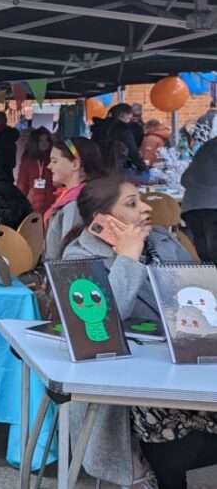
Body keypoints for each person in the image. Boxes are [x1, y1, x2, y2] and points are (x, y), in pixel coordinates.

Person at [63, 175, 216, 489]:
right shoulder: (79, 256)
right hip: (130, 384)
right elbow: (101, 325)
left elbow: (198, 297)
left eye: (142, 200)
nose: (146, 208)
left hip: (184, 364)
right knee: (162, 422)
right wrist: (128, 258)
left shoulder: (162, 240)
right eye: (132, 204)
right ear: (103, 219)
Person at [44, 137, 108, 260]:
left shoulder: (75, 203)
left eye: (54, 161)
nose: (49, 166)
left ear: (75, 164)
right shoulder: (80, 195)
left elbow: (70, 253)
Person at [182, 137, 217, 263]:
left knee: (205, 257)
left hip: (193, 207)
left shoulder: (207, 147)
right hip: (212, 208)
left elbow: (185, 180)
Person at [16, 127, 56, 214]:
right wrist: (22, 203)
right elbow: (22, 182)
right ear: (35, 142)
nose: (44, 143)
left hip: (51, 202)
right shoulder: (27, 160)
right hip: (33, 202)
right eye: (41, 140)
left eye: (47, 140)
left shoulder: (54, 159)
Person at [99, 103, 147, 173]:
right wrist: (142, 167)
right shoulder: (122, 129)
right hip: (117, 166)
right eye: (129, 117)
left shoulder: (100, 127)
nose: (131, 119)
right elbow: (132, 151)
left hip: (99, 166)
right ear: (124, 115)